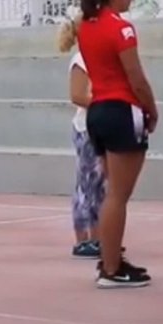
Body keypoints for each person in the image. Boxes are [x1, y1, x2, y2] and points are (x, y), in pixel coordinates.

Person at [76, 0, 158, 288]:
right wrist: (151, 108)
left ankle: (111, 258)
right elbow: (135, 77)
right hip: (122, 109)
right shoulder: (121, 29)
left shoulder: (86, 26)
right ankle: (110, 267)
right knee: (118, 196)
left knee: (113, 192)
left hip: (97, 110)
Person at [58, 15, 105, 260]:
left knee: (100, 186)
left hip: (99, 125)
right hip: (86, 127)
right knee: (86, 183)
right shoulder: (81, 60)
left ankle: (98, 237)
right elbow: (77, 95)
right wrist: (105, 102)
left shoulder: (97, 57)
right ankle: (83, 238)